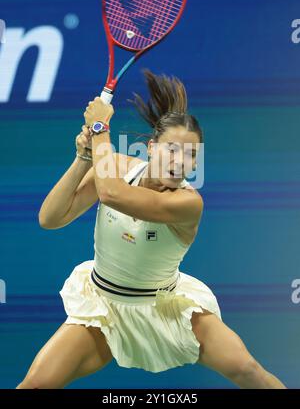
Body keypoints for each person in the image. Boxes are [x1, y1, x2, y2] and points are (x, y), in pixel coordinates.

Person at [16, 70, 286, 389]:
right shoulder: (115, 167)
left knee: (247, 369)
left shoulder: (188, 204)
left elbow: (111, 194)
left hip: (167, 308)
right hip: (105, 307)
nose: (180, 160)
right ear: (151, 147)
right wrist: (82, 158)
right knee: (35, 384)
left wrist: (101, 126)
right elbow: (50, 218)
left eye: (190, 155)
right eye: (172, 149)